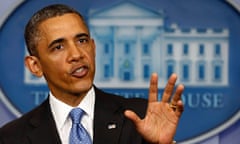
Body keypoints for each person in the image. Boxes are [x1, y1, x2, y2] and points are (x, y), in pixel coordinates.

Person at [0, 4, 184, 144]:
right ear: (35, 66)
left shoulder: (139, 117)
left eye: (82, 40)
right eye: (59, 47)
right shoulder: (10, 138)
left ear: (93, 47)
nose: (77, 54)